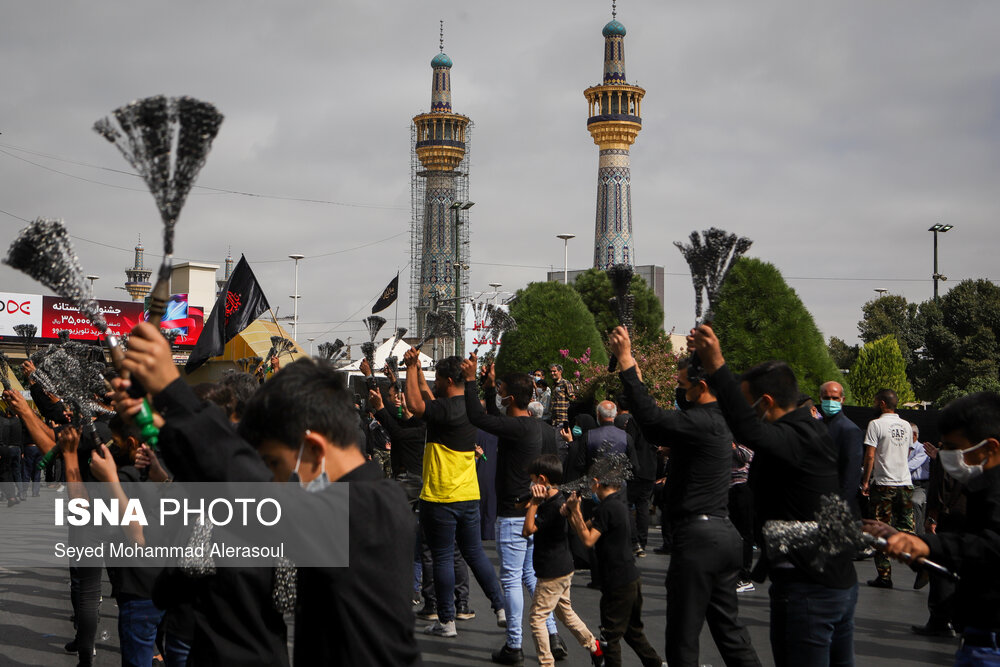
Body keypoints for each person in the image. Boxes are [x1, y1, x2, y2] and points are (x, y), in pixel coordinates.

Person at [113, 321, 422, 666]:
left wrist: (173, 389)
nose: (274, 482)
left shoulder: (366, 512)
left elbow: (242, 479)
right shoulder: (371, 503)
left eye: (275, 463)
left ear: (315, 451)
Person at [688, 324, 858, 667]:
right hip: (826, 580)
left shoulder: (798, 437)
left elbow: (747, 428)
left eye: (749, 403)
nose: (744, 410)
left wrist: (717, 366)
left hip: (811, 587)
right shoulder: (807, 431)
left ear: (766, 402)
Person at [609, 330, 760, 667]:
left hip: (699, 539)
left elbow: (652, 418)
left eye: (683, 385)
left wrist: (626, 362)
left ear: (701, 387)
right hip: (722, 535)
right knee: (730, 632)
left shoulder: (701, 421)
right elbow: (654, 426)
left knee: (682, 637)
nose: (680, 391)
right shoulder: (719, 419)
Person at [865, 392, 1000, 666]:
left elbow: (992, 546)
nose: (946, 455)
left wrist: (928, 545)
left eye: (954, 447)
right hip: (978, 630)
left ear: (990, 448)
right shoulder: (982, 484)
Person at [462, 357, 564, 664]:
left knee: (511, 580)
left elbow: (479, 417)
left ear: (511, 397)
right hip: (534, 512)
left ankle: (515, 645)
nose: (498, 396)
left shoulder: (517, 427)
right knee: (531, 576)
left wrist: (470, 382)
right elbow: (494, 417)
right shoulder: (535, 427)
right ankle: (552, 635)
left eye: (501, 391)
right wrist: (489, 383)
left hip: (513, 515)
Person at [404, 348, 506, 638]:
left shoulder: (442, 411)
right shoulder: (470, 410)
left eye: (437, 380)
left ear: (448, 381)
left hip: (440, 495)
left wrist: (411, 368)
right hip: (469, 494)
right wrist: (421, 376)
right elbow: (429, 399)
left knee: (443, 557)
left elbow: (414, 404)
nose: (433, 384)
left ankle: (446, 622)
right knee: (474, 553)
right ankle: (499, 607)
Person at [565, 459, 664, 667]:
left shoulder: (607, 509)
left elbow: (588, 539)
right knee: (632, 632)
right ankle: (653, 663)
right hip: (630, 579)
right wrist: (574, 512)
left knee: (610, 637)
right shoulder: (617, 506)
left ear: (596, 482)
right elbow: (584, 527)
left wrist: (575, 512)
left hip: (617, 583)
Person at [523, 455, 605, 667]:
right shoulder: (556, 499)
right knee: (565, 612)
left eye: (532, 479)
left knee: (537, 618)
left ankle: (546, 663)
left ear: (541, 479)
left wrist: (534, 503)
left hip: (552, 571)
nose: (531, 484)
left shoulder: (553, 506)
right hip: (563, 568)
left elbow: (528, 530)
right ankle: (594, 647)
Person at [861, 388, 914, 588]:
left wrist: (866, 481)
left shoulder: (875, 424)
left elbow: (870, 455)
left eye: (875, 401)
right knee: (907, 529)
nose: (874, 405)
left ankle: (884, 576)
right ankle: (923, 563)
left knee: (880, 531)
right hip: (905, 483)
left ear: (882, 403)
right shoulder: (907, 425)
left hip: (883, 484)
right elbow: (907, 453)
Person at [615, 394, 657, 558]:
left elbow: (629, 443)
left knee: (628, 503)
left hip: (636, 467)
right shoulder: (655, 423)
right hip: (650, 468)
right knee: (643, 505)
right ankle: (642, 541)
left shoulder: (635, 421)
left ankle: (634, 540)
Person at [819, 381, 865, 516]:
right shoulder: (816, 426)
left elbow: (851, 474)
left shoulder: (850, 430)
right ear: (820, 398)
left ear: (842, 400)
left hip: (837, 503)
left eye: (835, 398)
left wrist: (841, 506)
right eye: (826, 398)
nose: (830, 402)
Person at [909, 422, 932, 538]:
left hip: (920, 486)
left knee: (915, 501)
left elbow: (910, 466)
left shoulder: (921, 449)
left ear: (913, 435)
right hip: (905, 484)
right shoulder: (902, 448)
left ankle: (919, 535)